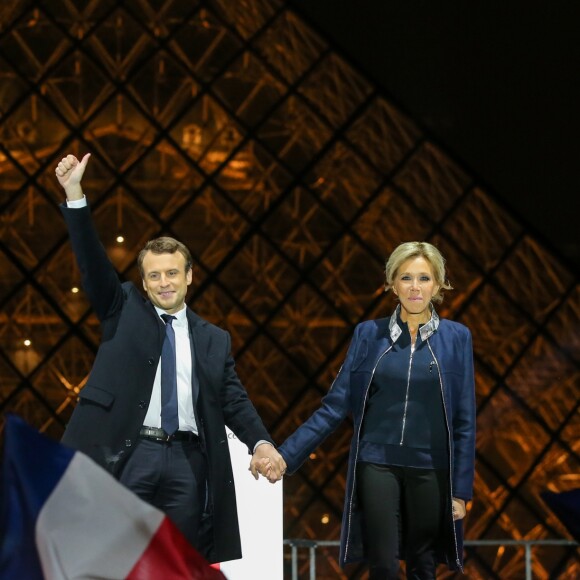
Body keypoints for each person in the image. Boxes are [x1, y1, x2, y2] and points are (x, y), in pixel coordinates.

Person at [54, 153, 285, 564]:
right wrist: (75, 194)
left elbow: (233, 399)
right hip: (130, 452)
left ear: (190, 276)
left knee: (177, 565)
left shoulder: (214, 340)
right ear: (143, 282)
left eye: (173, 273)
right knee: (116, 559)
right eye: (155, 275)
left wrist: (262, 442)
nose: (165, 282)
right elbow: (92, 264)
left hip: (187, 463)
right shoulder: (121, 308)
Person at [271, 242, 476, 579]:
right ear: (392, 284)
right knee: (382, 562)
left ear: (438, 285)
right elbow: (335, 407)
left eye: (424, 278)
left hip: (431, 467)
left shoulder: (458, 338)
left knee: (423, 564)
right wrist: (285, 455)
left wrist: (461, 491)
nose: (414, 287)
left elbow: (465, 420)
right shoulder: (368, 334)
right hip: (376, 463)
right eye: (405, 277)